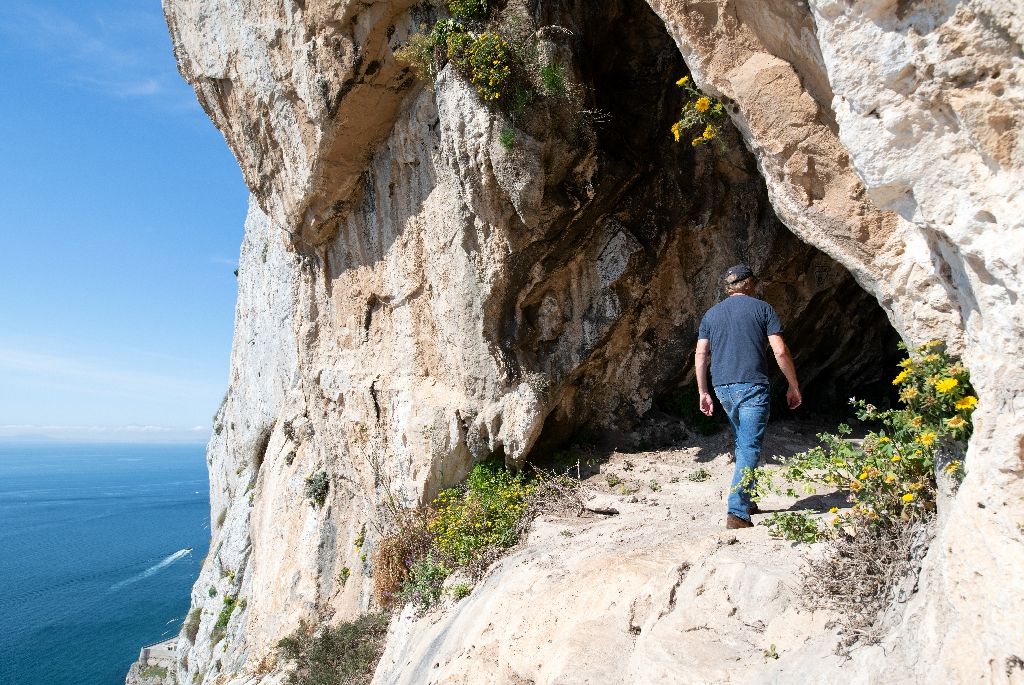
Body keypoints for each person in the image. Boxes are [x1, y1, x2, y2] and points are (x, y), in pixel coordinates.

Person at [694, 264, 802, 529]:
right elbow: (780, 351)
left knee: (743, 443)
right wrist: (793, 385)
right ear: (750, 283)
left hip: (722, 387)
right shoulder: (763, 309)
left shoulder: (711, 314)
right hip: (753, 386)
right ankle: (737, 511)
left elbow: (701, 354)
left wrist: (703, 391)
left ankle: (748, 498)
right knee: (750, 446)